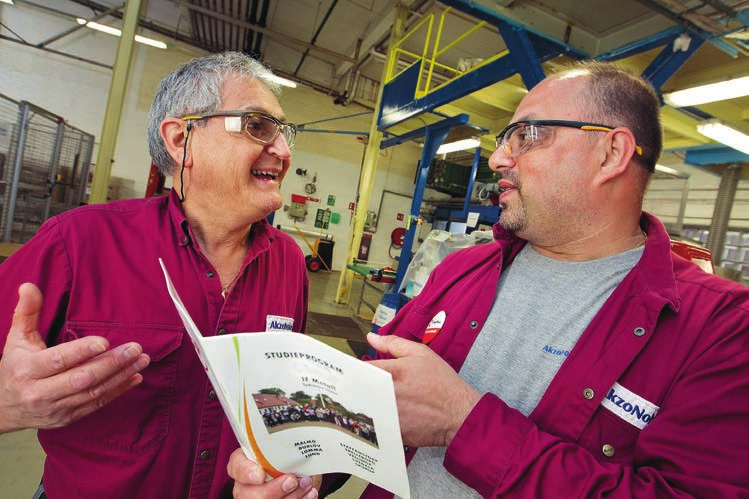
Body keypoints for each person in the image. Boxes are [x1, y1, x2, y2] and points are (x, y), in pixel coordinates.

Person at [364, 61, 749, 498]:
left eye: (526, 135)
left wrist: (463, 423)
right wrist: (307, 468)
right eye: (503, 139)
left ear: (611, 154)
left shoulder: (722, 329)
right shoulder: (462, 269)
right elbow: (372, 391)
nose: (497, 159)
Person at [0, 52, 324, 499]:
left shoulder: (288, 263)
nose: (284, 152)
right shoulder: (77, 243)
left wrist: (295, 475)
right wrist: (6, 405)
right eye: (257, 126)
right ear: (179, 139)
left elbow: (284, 406)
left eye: (284, 133)